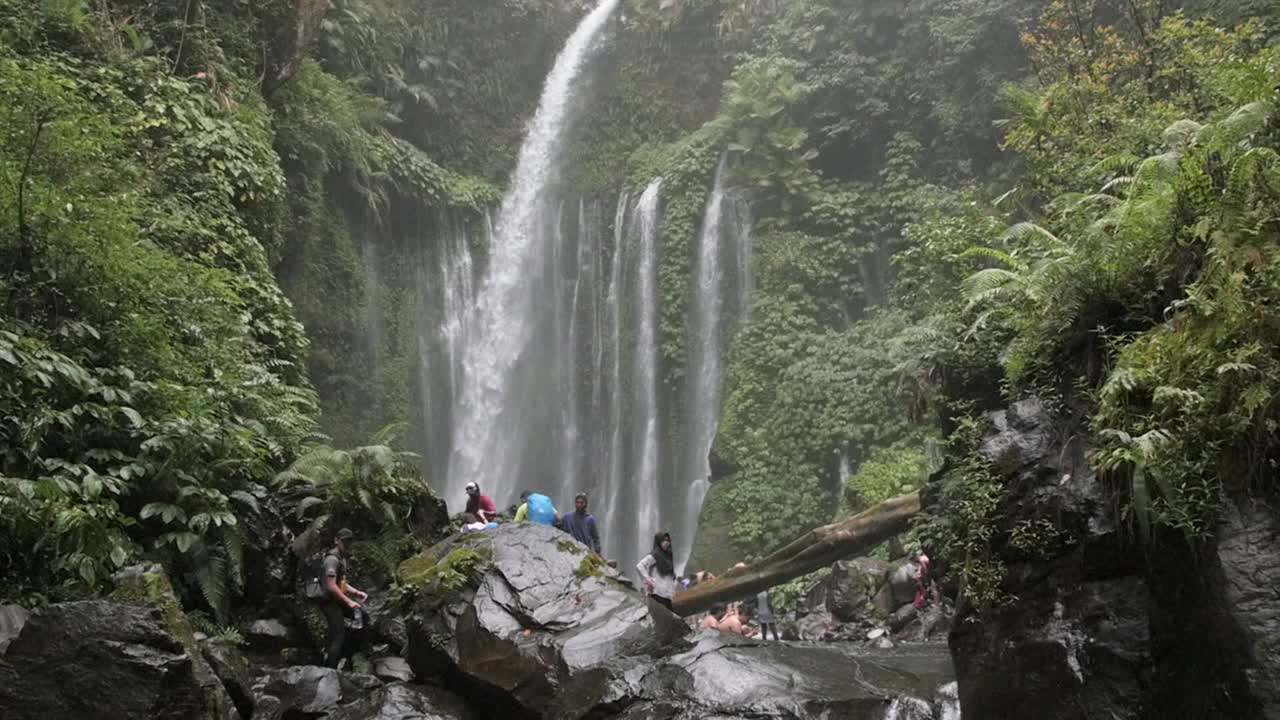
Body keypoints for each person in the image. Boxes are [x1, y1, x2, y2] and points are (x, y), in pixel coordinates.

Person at [319, 528, 369, 669]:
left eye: (349, 541)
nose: (347, 544)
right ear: (337, 540)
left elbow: (341, 583)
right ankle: (330, 670)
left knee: (363, 616)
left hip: (337, 599)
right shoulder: (332, 560)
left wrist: (357, 592)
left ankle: (353, 655)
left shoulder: (342, 558)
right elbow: (331, 586)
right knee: (338, 635)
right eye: (344, 541)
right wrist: (349, 601)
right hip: (328, 601)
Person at [636, 531, 677, 611]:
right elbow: (640, 566)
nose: (666, 542)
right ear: (659, 541)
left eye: (668, 540)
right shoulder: (655, 554)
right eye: (663, 540)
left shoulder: (667, 556)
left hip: (667, 596)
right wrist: (649, 580)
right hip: (657, 594)